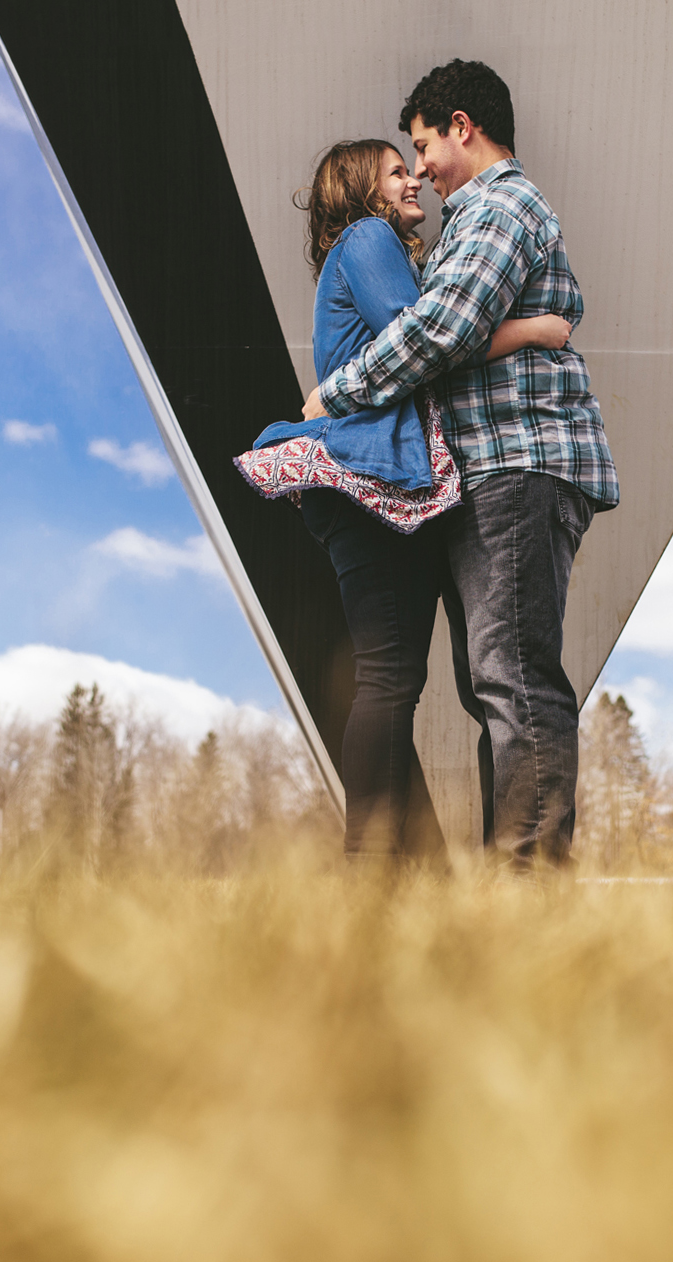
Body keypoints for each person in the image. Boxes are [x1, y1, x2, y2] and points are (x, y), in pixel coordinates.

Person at [304, 60, 618, 868]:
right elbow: (448, 330)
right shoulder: (463, 223)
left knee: (510, 681)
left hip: (518, 463)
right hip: (488, 473)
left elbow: (438, 331)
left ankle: (529, 883)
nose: (420, 170)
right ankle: (506, 876)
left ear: (461, 127)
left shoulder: (498, 206)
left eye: (421, 146)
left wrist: (334, 393)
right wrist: (538, 327)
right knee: (493, 683)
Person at [237, 140, 570, 860]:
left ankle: (387, 865)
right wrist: (535, 330)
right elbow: (428, 336)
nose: (412, 176)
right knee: (388, 676)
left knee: (393, 676)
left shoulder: (369, 247)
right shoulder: (368, 237)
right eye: (397, 168)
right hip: (367, 477)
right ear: (364, 190)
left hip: (378, 483)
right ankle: (369, 864)